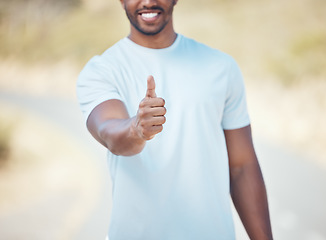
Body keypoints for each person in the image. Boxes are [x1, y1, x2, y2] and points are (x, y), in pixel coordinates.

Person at [77, 0, 273, 239]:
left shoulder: (221, 68)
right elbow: (111, 135)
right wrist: (137, 129)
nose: (148, 2)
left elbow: (242, 167)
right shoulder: (101, 71)